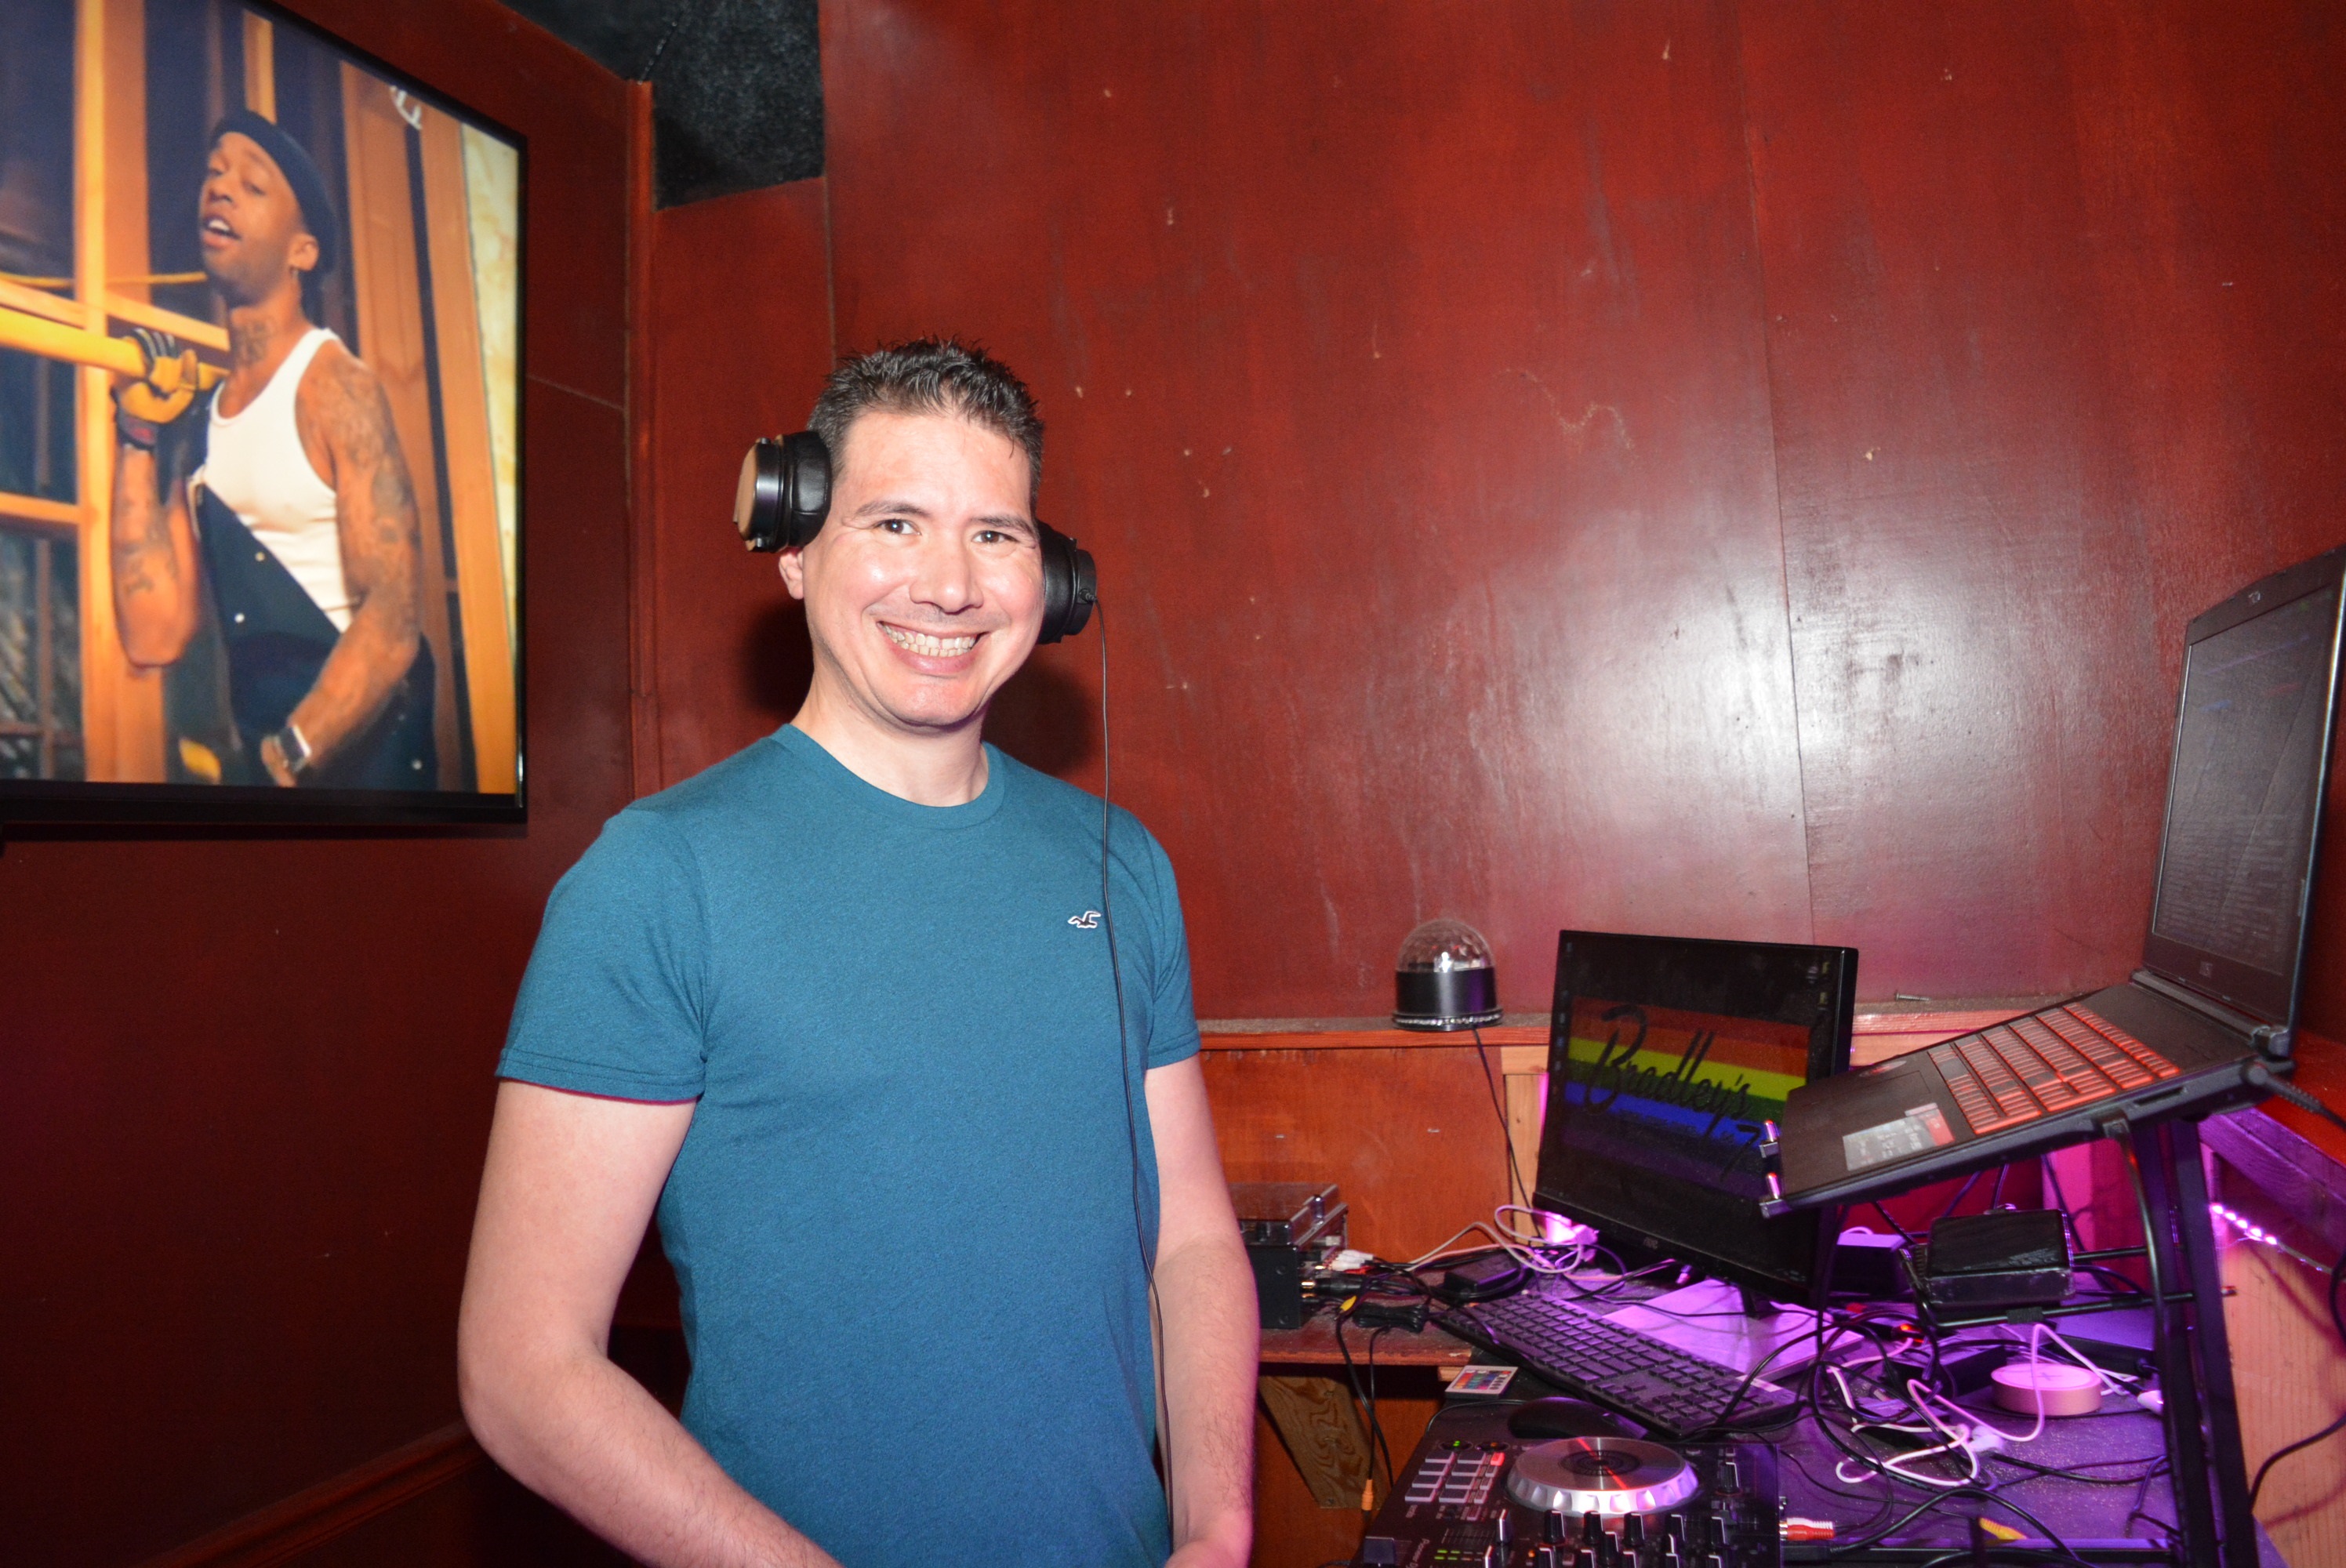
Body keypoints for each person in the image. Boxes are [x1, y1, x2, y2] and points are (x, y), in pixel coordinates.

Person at [459, 341, 1258, 1566]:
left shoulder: (1120, 863)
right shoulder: (658, 879)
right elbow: (524, 1369)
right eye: (896, 523)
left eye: (995, 535)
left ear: (1051, 581)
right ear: (793, 545)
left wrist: (1215, 1526)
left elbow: (1189, 1240)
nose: (951, 585)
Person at [109, 110, 433, 788]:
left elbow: (394, 619)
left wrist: (287, 756)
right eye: (214, 173)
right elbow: (152, 633)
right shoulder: (206, 422)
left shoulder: (335, 386)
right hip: (271, 763)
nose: (220, 188)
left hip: (354, 769)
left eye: (252, 185)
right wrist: (136, 435)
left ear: (302, 252)